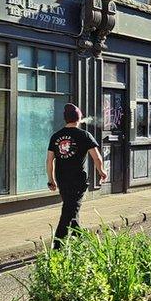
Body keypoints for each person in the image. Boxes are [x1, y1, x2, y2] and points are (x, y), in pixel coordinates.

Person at [46, 103, 107, 249]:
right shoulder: (85, 135)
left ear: (65, 119)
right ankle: (57, 245)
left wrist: (51, 180)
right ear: (79, 118)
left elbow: (49, 160)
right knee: (69, 210)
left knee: (71, 208)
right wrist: (102, 171)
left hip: (62, 179)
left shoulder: (56, 136)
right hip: (78, 180)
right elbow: (97, 158)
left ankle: (79, 239)